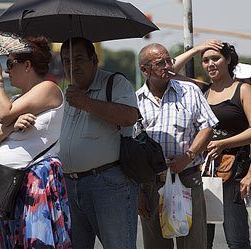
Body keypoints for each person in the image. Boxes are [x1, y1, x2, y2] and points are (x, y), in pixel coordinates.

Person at [0, 36, 71, 248]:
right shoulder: (14, 100)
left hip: (36, 180)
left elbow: (3, 114)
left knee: (37, 241)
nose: (6, 70)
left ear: (27, 65)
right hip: (8, 187)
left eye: (10, 64)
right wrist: (12, 126)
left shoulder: (48, 88)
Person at [58, 37, 139, 249]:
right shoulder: (67, 92)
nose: (72, 67)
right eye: (66, 61)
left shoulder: (115, 83)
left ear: (94, 59)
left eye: (79, 59)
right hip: (71, 185)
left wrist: (85, 102)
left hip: (107, 184)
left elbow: (130, 116)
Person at [136, 43, 218, 249]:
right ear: (145, 70)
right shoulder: (135, 100)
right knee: (156, 244)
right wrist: (138, 190)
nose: (168, 66)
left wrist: (188, 156)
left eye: (169, 60)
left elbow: (207, 128)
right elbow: (131, 146)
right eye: (160, 63)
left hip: (187, 177)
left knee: (193, 243)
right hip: (151, 184)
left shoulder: (189, 91)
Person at [174, 41, 251, 249]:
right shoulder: (202, 90)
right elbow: (168, 73)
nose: (210, 64)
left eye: (215, 58)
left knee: (237, 240)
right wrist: (197, 49)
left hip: (233, 173)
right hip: (203, 173)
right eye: (205, 60)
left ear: (227, 60)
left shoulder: (242, 89)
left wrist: (224, 143)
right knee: (201, 239)